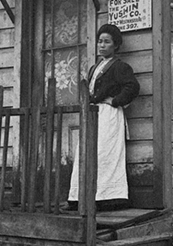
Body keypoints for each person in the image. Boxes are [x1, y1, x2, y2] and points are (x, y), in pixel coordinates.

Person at [62, 24, 140, 211]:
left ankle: (107, 198)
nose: (102, 45)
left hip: (109, 116)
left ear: (116, 45)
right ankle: (78, 198)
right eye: (100, 41)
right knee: (86, 152)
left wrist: (115, 101)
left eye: (107, 42)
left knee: (105, 155)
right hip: (94, 114)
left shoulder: (120, 67)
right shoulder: (94, 67)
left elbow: (132, 87)